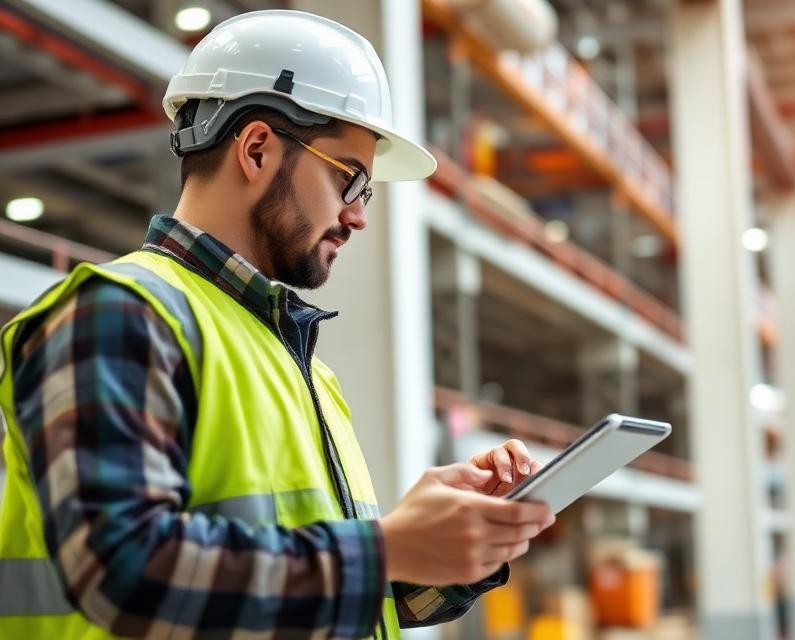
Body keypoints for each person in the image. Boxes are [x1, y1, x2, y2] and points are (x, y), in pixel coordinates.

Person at [0, 10, 554, 639]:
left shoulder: (305, 367)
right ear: (257, 149)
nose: (358, 217)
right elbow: (123, 571)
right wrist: (385, 549)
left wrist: (449, 549)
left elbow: (312, 600)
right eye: (350, 179)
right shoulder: (120, 314)